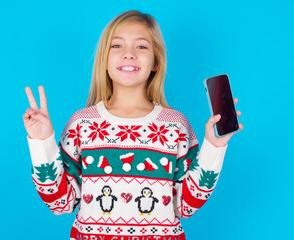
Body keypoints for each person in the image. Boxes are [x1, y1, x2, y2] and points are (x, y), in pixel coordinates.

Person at [23, 10, 243, 240]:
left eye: (141, 47)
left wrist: (213, 148)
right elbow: (60, 203)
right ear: (104, 60)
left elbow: (186, 206)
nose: (128, 54)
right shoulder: (81, 124)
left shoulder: (176, 126)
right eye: (117, 46)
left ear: (156, 61)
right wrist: (42, 142)